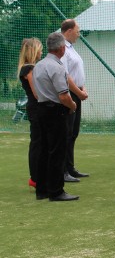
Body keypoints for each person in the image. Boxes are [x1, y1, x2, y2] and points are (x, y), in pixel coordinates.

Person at [32, 32, 79, 201]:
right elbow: (64, 96)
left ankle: (42, 189)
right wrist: (72, 106)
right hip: (56, 111)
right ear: (61, 48)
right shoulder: (57, 67)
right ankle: (56, 190)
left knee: (44, 150)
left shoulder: (39, 65)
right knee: (58, 151)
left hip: (42, 109)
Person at [60, 19, 90, 183]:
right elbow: (65, 74)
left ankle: (70, 168)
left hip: (77, 93)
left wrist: (82, 88)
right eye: (77, 30)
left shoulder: (71, 48)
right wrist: (78, 91)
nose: (79, 34)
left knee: (73, 132)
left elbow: (76, 72)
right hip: (70, 94)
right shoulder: (63, 48)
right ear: (69, 30)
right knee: (67, 132)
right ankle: (63, 170)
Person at [18, 38, 43, 190]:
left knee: (37, 142)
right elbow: (37, 93)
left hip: (34, 108)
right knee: (37, 143)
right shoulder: (29, 69)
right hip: (37, 109)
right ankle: (35, 177)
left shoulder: (27, 68)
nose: (42, 52)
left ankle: (37, 176)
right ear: (33, 51)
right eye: (40, 49)